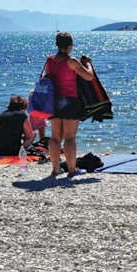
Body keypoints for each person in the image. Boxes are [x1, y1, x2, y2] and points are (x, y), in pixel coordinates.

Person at [44, 32, 95, 178]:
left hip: (53, 101)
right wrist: (89, 64)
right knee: (70, 137)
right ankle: (72, 170)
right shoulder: (72, 61)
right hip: (70, 101)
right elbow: (89, 77)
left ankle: (55, 169)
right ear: (70, 46)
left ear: (57, 45)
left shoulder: (50, 60)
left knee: (55, 137)